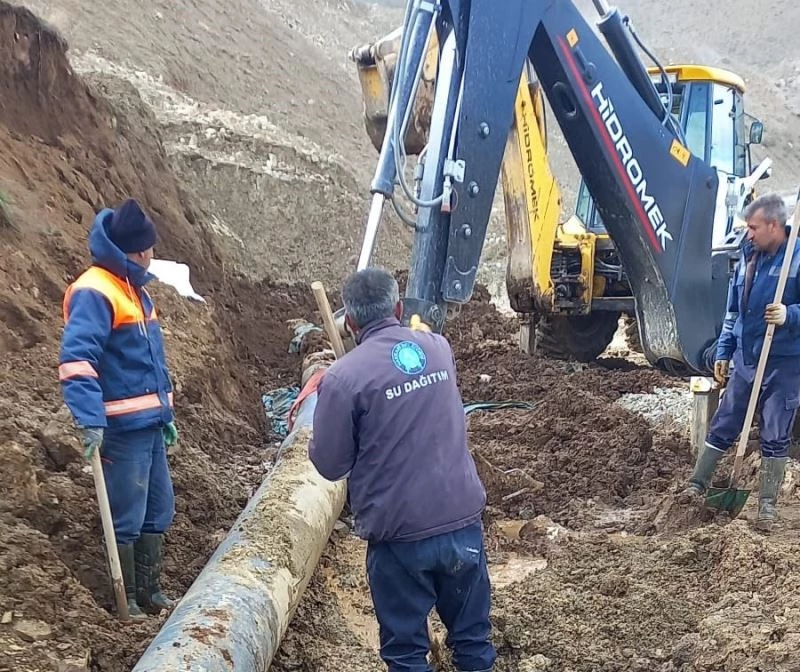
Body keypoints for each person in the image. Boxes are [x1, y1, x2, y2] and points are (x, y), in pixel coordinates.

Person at [308, 268, 496, 672]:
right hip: (461, 523)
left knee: (406, 654)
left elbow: (330, 465)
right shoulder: (439, 348)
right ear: (397, 307)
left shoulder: (343, 378)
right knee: (473, 640)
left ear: (351, 322)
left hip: (399, 538)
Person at [59, 198, 178, 618]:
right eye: (144, 249)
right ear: (129, 249)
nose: (149, 255)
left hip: (149, 422)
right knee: (126, 514)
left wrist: (166, 412)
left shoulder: (137, 291)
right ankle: (125, 599)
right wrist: (89, 419)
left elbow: (151, 360)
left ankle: (151, 591)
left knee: (159, 507)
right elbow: (77, 360)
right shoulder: (96, 290)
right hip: (121, 428)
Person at [679, 192, 800, 530]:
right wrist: (723, 350)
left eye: (754, 227)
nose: (748, 233)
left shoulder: (798, 258)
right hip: (747, 360)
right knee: (725, 422)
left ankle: (766, 508)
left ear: (774, 226)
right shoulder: (749, 257)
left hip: (785, 363)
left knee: (776, 433)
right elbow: (734, 311)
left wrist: (790, 314)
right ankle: (696, 484)